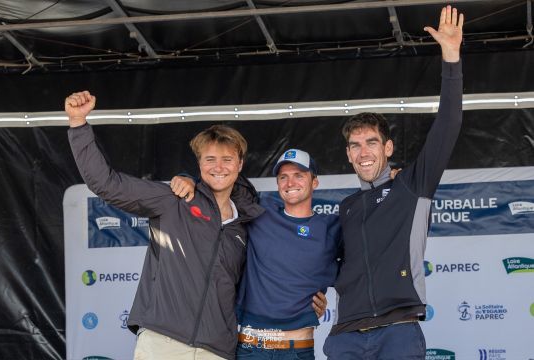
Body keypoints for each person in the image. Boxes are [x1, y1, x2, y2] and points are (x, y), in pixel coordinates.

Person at [65, 90, 264, 360]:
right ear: (199, 164)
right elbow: (106, 183)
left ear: (240, 164)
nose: (219, 167)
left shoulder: (244, 224)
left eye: (227, 159)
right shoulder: (174, 199)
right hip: (163, 343)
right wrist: (78, 125)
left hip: (217, 350)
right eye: (210, 159)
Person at [323, 5, 464, 360]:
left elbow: (447, 126)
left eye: (371, 142)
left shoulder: (411, 186)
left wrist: (451, 57)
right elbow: (328, 264)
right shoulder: (347, 208)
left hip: (397, 333)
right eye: (355, 145)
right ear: (348, 153)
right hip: (345, 337)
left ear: (388, 147)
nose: (363, 152)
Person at [172, 149, 340, 359]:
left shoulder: (332, 227)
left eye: (299, 175)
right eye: (283, 177)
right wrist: (188, 179)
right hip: (252, 348)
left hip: (297, 349)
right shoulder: (260, 212)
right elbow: (220, 179)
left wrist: (393, 184)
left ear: (314, 182)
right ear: (277, 183)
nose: (290, 183)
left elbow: (363, 265)